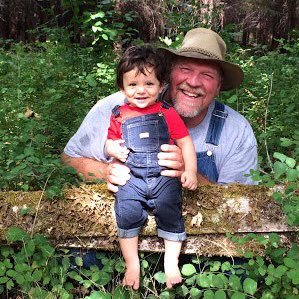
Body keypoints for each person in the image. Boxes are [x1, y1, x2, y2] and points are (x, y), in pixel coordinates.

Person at [62, 26, 258, 285]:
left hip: (195, 252)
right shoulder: (116, 109)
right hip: (120, 239)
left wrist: (191, 173)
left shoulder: (236, 130)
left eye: (207, 75)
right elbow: (68, 160)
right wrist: (105, 171)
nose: (194, 82)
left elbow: (241, 213)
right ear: (168, 74)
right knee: (76, 257)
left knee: (240, 269)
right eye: (185, 69)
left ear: (219, 86)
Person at [105, 45, 197, 290]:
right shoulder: (118, 115)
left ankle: (170, 260)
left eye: (149, 83)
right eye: (133, 85)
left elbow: (185, 140)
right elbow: (109, 141)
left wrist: (189, 170)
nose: (141, 90)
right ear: (122, 87)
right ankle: (132, 262)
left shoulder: (167, 113)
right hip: (132, 177)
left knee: (170, 210)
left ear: (161, 85)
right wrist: (111, 149)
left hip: (163, 176)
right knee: (126, 211)